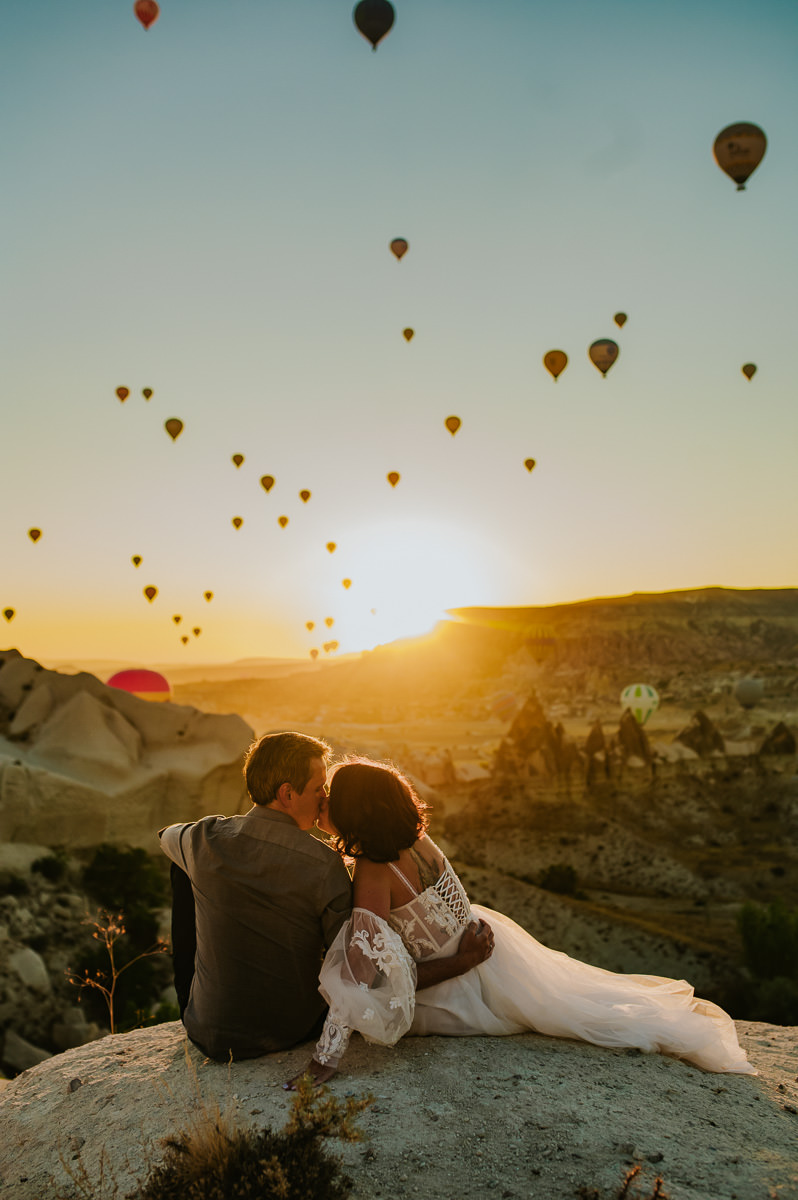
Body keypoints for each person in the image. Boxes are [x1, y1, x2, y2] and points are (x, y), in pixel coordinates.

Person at [296, 757, 754, 1081]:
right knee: (581, 1002)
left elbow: (364, 974)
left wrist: (326, 1058)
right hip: (494, 963)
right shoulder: (419, 842)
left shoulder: (375, 869)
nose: (324, 803)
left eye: (332, 796)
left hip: (455, 993)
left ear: (356, 811)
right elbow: (451, 917)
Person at [159, 731, 352, 1060]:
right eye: (319, 787)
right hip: (288, 1032)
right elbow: (344, 958)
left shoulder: (205, 838)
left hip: (208, 1034)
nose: (325, 797)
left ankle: (192, 1000)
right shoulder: (324, 863)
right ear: (287, 794)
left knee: (183, 867)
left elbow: (165, 836)